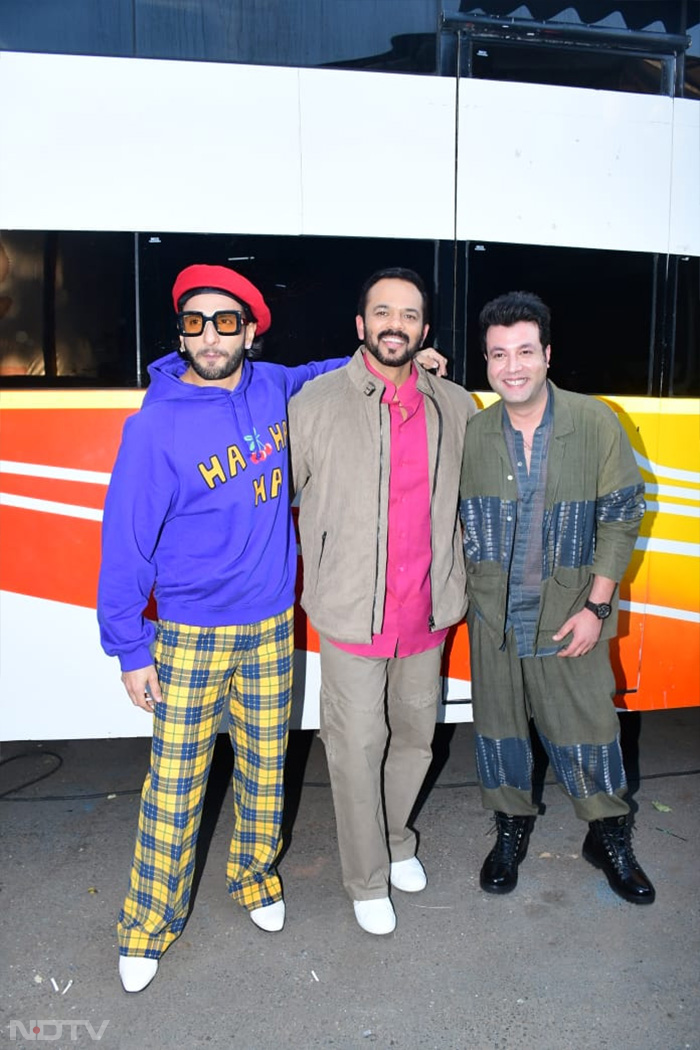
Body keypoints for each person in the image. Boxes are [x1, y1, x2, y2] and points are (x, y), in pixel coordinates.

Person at [98, 263, 446, 992]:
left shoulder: (275, 388)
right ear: (181, 332)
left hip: (269, 627)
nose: (211, 336)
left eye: (227, 322)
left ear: (250, 331)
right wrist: (131, 647)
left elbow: (344, 367)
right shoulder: (154, 424)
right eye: (195, 322)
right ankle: (145, 925)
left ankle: (255, 879)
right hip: (189, 633)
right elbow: (124, 543)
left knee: (265, 769)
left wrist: (416, 357)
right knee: (175, 784)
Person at [289, 267, 476, 935]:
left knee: (416, 742)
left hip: (426, 612)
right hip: (350, 615)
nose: (395, 323)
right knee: (355, 746)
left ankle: (396, 840)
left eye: (408, 314)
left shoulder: (455, 405)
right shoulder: (313, 403)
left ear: (424, 330)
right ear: (361, 325)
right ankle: (366, 878)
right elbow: (282, 500)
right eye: (381, 311)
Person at [459, 290, 655, 905]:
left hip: (569, 612)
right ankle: (512, 827)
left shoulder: (594, 422)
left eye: (523, 351)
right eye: (497, 355)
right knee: (499, 730)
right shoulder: (473, 433)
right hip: (494, 617)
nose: (511, 366)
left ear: (547, 354)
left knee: (589, 729)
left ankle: (607, 834)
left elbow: (622, 515)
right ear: (486, 363)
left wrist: (597, 607)